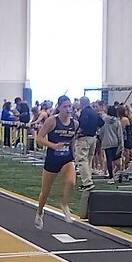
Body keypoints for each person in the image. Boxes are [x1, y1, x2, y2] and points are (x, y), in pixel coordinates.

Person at [34, 95, 79, 230]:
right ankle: (40, 211)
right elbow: (39, 139)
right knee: (45, 192)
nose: (68, 109)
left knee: (71, 181)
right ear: (59, 107)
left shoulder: (75, 124)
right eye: (65, 106)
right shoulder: (51, 121)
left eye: (69, 106)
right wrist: (53, 145)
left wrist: (74, 155)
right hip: (52, 159)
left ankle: (64, 205)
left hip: (67, 158)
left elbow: (72, 141)